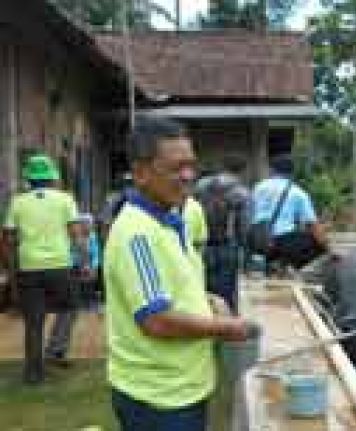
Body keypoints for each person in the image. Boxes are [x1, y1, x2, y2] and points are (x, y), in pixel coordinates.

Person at [104, 115, 255, 431]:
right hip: (160, 397)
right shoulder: (138, 233)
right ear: (141, 173)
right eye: (175, 168)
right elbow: (156, 320)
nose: (188, 176)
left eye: (191, 165)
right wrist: (224, 329)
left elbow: (175, 286)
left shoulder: (171, 218)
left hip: (181, 386)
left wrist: (208, 298)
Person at [2, 154, 87, 383]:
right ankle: (56, 348)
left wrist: (11, 272)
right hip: (59, 264)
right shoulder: (65, 199)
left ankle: (33, 373)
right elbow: (76, 234)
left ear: (28, 179)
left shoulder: (17, 202)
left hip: (29, 267)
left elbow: (8, 240)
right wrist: (85, 260)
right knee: (70, 307)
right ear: (52, 177)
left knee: (34, 320)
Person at [250, 154, 331, 271]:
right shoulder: (298, 192)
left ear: (272, 170)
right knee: (318, 241)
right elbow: (313, 225)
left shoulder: (258, 187)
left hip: (257, 241)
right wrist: (329, 249)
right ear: (291, 173)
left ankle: (273, 264)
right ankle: (284, 265)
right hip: (284, 243)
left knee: (292, 236)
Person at [44, 212, 100, 365]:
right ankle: (55, 351)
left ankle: (56, 350)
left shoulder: (81, 235)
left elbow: (89, 254)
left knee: (69, 311)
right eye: (85, 223)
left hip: (68, 272)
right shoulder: (73, 235)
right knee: (68, 311)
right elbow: (80, 252)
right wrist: (85, 267)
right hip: (67, 272)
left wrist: (87, 267)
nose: (88, 226)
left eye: (89, 224)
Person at [195, 173, 250, 311]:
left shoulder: (199, 189)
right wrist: (243, 247)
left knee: (204, 289)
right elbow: (244, 226)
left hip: (204, 246)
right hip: (227, 246)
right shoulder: (240, 193)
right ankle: (227, 322)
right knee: (227, 292)